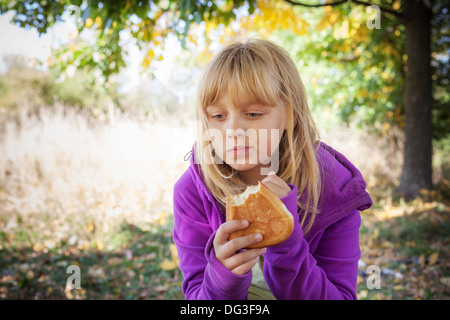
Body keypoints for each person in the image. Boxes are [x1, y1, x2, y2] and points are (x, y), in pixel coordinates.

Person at [172, 38, 373, 300]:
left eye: (253, 114)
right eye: (218, 116)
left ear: (291, 115)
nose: (233, 131)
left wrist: (287, 244)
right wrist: (221, 279)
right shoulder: (192, 192)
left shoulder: (333, 188)